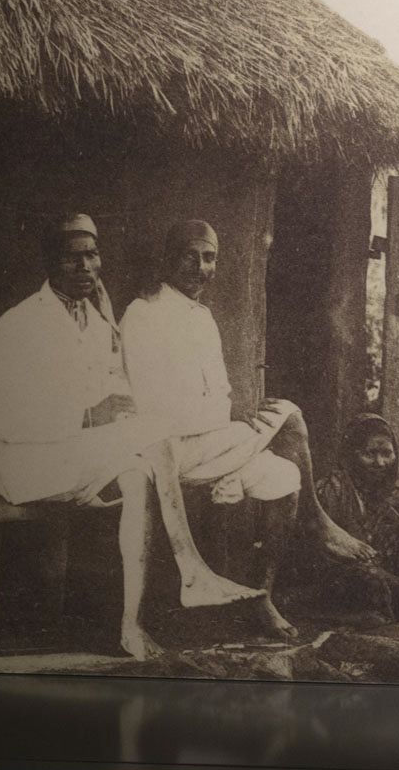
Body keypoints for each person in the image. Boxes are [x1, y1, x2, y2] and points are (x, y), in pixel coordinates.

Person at [0, 213, 262, 661]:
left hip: (77, 455)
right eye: (73, 259)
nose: (86, 267)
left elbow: (117, 393)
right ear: (50, 264)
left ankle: (131, 627)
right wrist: (90, 414)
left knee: (138, 473)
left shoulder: (96, 323)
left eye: (92, 255)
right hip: (27, 462)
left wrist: (113, 409)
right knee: (152, 436)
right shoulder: (17, 325)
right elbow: (2, 419)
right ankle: (191, 569)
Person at [120, 219, 377, 639]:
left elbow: (220, 396)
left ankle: (263, 598)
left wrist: (233, 423)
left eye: (209, 258)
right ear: (169, 259)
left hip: (209, 443)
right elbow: (154, 410)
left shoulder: (202, 317)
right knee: (289, 415)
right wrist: (232, 421)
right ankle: (317, 523)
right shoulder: (143, 313)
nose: (200, 267)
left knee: (284, 475)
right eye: (190, 256)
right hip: (166, 451)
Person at [286, 413, 399, 625]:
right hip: (324, 580)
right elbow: (328, 562)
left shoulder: (378, 494)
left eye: (387, 453)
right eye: (370, 454)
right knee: (367, 578)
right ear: (351, 455)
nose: (380, 462)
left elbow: (395, 545)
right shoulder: (330, 491)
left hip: (371, 570)